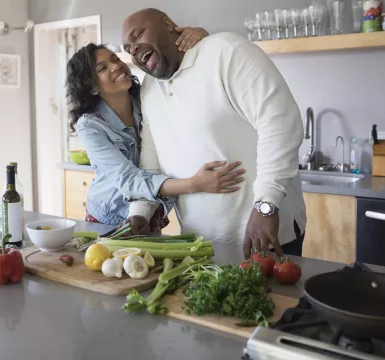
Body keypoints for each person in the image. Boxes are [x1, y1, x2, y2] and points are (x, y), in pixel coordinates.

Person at [122, 9, 307, 258]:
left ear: (167, 24)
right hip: (198, 245)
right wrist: (141, 212)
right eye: (128, 48)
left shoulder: (226, 52)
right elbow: (152, 159)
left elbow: (280, 124)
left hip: (264, 234)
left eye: (138, 35)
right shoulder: (149, 88)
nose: (133, 49)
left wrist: (266, 206)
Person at [66, 27, 246, 232]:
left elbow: (178, 70)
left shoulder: (148, 98)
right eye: (102, 68)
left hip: (150, 211)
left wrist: (199, 38)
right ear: (91, 87)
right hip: (108, 217)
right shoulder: (89, 126)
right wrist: (194, 184)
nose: (115, 67)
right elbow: (130, 180)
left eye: (115, 59)